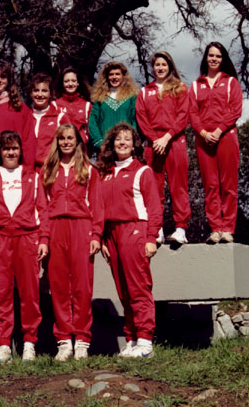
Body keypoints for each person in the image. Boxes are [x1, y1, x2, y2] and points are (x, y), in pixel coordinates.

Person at [93, 123, 160, 358]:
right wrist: (101, 238)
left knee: (138, 287)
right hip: (111, 234)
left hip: (134, 229)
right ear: (111, 144)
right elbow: (99, 209)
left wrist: (151, 238)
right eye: (118, 139)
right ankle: (131, 339)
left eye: (127, 139)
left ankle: (145, 340)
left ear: (134, 145)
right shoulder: (104, 174)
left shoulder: (143, 171)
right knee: (122, 289)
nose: (122, 142)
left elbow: (154, 208)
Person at [0, 131, 49, 363]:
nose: (11, 152)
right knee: (2, 295)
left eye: (15, 148)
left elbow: (43, 211)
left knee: (30, 294)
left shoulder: (33, 176)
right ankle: (3, 345)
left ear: (21, 151)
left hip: (27, 239)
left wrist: (44, 240)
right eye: (6, 148)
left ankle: (29, 343)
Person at [41, 123, 100, 361]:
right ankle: (64, 340)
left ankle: (82, 340)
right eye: (62, 138)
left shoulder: (88, 169)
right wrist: (44, 237)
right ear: (57, 141)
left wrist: (96, 234)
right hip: (56, 228)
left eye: (70, 138)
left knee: (82, 286)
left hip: (81, 227)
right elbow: (42, 207)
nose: (66, 142)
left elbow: (97, 204)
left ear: (78, 141)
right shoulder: (47, 169)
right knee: (59, 286)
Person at [189, 42, 242, 244]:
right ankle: (215, 228)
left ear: (223, 59)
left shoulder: (231, 83)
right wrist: (203, 132)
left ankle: (227, 228)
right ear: (205, 58)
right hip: (203, 140)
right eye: (211, 55)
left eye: (218, 56)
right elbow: (192, 112)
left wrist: (219, 131)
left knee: (228, 185)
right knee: (210, 185)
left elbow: (235, 110)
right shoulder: (196, 85)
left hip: (226, 136)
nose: (214, 59)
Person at [136, 51, 191, 245]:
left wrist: (167, 137)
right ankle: (156, 229)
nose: (160, 68)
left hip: (175, 140)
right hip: (153, 144)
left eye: (164, 65)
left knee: (179, 186)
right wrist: (154, 139)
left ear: (170, 66)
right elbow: (142, 119)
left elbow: (183, 115)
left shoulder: (180, 88)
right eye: (157, 65)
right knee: (154, 188)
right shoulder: (145, 91)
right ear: (153, 68)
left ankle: (180, 229)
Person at [0, 60, 36, 167]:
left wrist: (27, 168)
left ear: (9, 81)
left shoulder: (20, 108)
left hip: (16, 167)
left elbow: (29, 141)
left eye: (3, 76)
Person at [88, 61, 139, 153]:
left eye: (117, 74)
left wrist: (131, 142)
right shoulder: (99, 98)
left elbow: (135, 120)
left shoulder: (132, 97)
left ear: (123, 76)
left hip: (125, 148)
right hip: (105, 148)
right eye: (111, 74)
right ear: (106, 77)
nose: (114, 77)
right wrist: (100, 143)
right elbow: (93, 122)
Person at [28, 72, 69, 170]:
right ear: (31, 93)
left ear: (50, 94)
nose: (40, 94)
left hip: (51, 169)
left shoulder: (59, 117)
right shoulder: (24, 116)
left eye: (44, 91)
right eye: (36, 90)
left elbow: (70, 144)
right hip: (29, 170)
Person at [52, 67, 92, 144]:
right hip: (62, 148)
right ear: (62, 84)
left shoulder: (87, 105)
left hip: (81, 148)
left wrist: (84, 140)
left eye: (73, 81)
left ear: (78, 83)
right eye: (66, 81)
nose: (70, 84)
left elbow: (89, 131)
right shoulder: (55, 105)